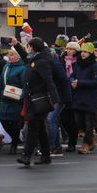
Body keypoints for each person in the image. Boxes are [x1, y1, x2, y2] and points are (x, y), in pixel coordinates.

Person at [17, 37, 59, 166]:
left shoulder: (42, 62)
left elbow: (48, 81)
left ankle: (26, 155)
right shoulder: (35, 59)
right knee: (40, 128)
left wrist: (55, 99)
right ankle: (46, 156)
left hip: (39, 100)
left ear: (33, 48)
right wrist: (16, 45)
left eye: (28, 46)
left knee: (33, 127)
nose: (27, 49)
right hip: (32, 98)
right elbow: (26, 58)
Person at [0, 46, 27, 155]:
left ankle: (14, 144)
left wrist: (22, 98)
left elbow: (24, 85)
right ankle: (15, 138)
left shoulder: (23, 68)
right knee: (3, 120)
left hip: (16, 100)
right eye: (9, 54)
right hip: (5, 98)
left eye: (12, 55)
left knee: (15, 122)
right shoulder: (6, 67)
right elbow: (0, 82)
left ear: (18, 56)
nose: (9, 56)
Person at [70, 42, 97, 155]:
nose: (83, 54)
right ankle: (92, 136)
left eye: (86, 52)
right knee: (78, 121)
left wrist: (80, 83)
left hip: (89, 97)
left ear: (90, 53)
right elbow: (72, 76)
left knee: (89, 122)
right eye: (82, 51)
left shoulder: (95, 66)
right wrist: (72, 81)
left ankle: (86, 144)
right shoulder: (78, 65)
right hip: (78, 96)